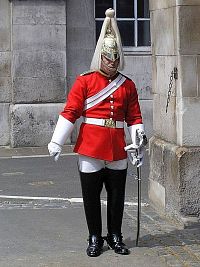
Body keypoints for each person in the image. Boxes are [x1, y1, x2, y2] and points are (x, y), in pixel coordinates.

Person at [48, 8, 146, 257]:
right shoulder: (85, 81)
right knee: (91, 197)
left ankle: (114, 235)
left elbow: (134, 116)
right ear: (100, 57)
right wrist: (56, 140)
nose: (111, 64)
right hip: (91, 147)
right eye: (107, 59)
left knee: (117, 198)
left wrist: (138, 144)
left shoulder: (128, 85)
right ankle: (94, 236)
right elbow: (71, 111)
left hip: (117, 148)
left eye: (115, 60)